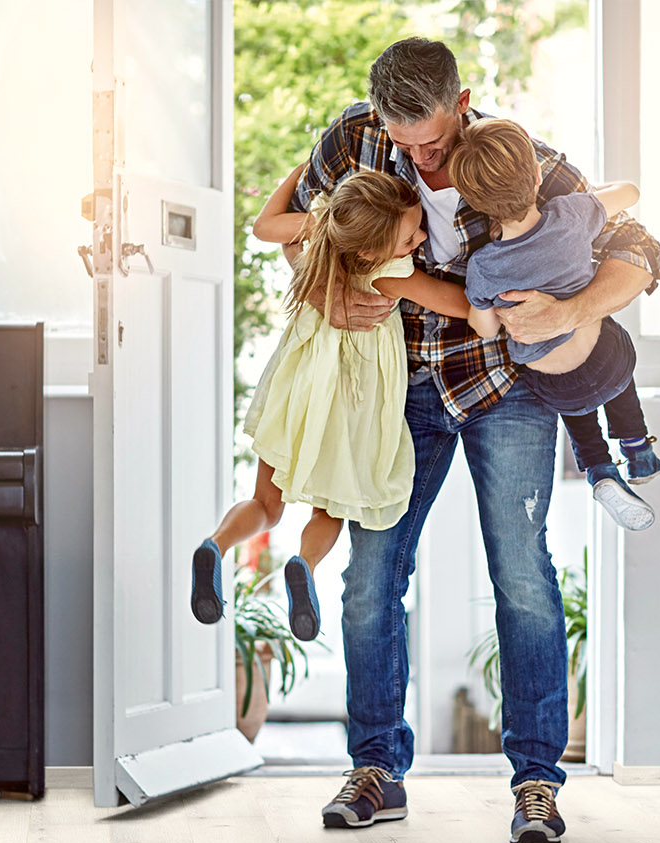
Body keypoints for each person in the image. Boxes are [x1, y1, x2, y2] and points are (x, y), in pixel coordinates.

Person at [282, 37, 660, 843]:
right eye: (405, 143)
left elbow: (642, 250)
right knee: (371, 573)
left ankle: (536, 782)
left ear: (464, 104)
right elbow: (302, 234)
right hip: (400, 386)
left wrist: (571, 311)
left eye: (433, 140)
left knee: (523, 576)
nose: (422, 160)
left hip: (508, 387)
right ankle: (377, 767)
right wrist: (326, 293)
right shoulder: (353, 140)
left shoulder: (516, 159)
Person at [190, 166, 494, 642]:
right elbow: (451, 301)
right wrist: (499, 296)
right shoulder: (390, 273)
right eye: (410, 234)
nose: (419, 238)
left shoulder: (324, 225)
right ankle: (304, 564)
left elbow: (264, 226)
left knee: (266, 505)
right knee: (328, 510)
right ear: (372, 250)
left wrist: (298, 172)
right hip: (345, 404)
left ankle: (216, 544)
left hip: (295, 392)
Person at [448, 117, 660, 532]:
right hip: (607, 365)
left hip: (556, 388)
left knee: (569, 398)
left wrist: (487, 305)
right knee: (610, 347)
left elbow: (486, 330)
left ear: (474, 203)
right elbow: (630, 193)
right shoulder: (571, 214)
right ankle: (637, 448)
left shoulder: (484, 267)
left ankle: (599, 468)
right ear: (535, 176)